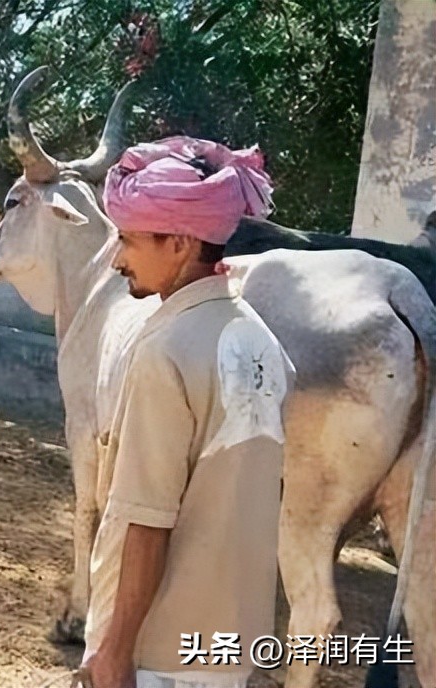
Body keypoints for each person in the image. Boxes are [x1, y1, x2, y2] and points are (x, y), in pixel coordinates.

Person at [78, 136, 294, 688]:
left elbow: (146, 522)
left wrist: (114, 650)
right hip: (233, 647)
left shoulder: (165, 351)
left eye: (127, 239)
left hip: (162, 653)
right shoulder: (264, 341)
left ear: (177, 242)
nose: (117, 257)